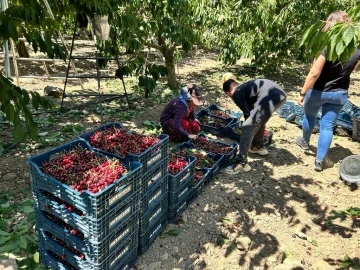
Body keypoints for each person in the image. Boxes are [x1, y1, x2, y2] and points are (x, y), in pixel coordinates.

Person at [296, 11, 360, 172]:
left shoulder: (326, 46)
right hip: (339, 94)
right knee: (327, 126)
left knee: (310, 116)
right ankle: (319, 161)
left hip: (318, 92)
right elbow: (352, 69)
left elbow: (314, 73)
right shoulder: (356, 48)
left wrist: (303, 93)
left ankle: (304, 141)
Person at [222, 75, 287, 174]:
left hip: (269, 97)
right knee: (258, 120)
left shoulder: (236, 93)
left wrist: (246, 134)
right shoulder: (244, 87)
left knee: (248, 126)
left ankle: (241, 163)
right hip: (280, 95)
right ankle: (258, 146)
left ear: (228, 92)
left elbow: (248, 116)